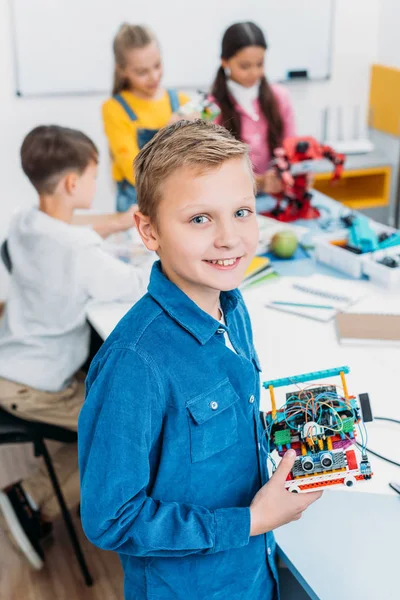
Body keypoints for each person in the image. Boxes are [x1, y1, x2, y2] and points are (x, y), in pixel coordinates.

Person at [78, 120, 322, 599]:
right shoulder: (133, 364)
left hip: (254, 571)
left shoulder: (231, 304)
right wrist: (252, 521)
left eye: (242, 211)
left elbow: (226, 423)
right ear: (149, 230)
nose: (230, 238)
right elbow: (110, 519)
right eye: (199, 219)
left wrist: (296, 430)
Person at [0, 125, 152, 570]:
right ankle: (31, 499)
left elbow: (73, 229)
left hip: (13, 365)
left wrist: (120, 223)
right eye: (92, 177)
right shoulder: (79, 249)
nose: (94, 185)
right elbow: (134, 284)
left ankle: (38, 493)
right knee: (126, 433)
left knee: (114, 411)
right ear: (72, 184)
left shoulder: (26, 222)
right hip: (35, 385)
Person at [103, 23, 195, 211]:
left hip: (180, 197)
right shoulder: (114, 109)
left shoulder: (182, 102)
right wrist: (165, 134)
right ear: (122, 70)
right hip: (136, 203)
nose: (153, 76)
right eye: (142, 72)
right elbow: (134, 172)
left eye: (157, 65)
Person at [211, 21, 296, 206]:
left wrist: (297, 173)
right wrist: (260, 183)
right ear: (225, 61)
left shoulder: (280, 98)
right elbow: (213, 173)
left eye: (260, 64)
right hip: (231, 202)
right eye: (245, 66)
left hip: (276, 199)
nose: (254, 72)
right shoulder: (211, 108)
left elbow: (291, 149)